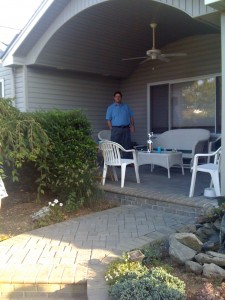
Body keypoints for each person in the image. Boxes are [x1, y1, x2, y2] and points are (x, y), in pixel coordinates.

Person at [106, 91, 135, 158]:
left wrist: (132, 126)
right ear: (114, 98)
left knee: (127, 145)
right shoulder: (110, 108)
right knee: (115, 145)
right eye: (116, 96)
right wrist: (111, 129)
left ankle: (127, 161)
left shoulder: (126, 106)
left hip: (126, 128)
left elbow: (131, 116)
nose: (118, 98)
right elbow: (108, 120)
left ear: (121, 98)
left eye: (119, 96)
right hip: (116, 129)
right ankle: (115, 161)